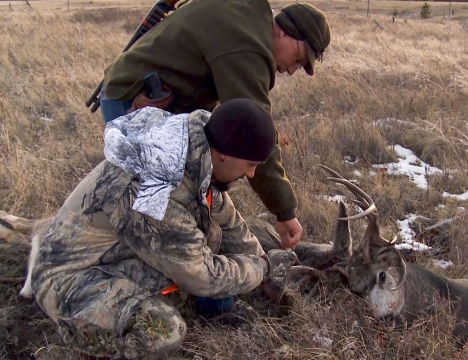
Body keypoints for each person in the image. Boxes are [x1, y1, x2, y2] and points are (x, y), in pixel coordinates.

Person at [30, 99, 299, 358]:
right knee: (161, 331)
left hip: (115, 258)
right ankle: (91, 336)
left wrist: (262, 259)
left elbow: (227, 221)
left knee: (211, 235)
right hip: (70, 280)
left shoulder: (198, 149)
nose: (251, 174)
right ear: (225, 154)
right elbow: (203, 276)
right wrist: (262, 269)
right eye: (250, 165)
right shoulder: (157, 189)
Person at [99, 0, 331, 250]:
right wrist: (284, 210)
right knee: (155, 204)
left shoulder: (246, 13)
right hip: (135, 102)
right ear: (284, 31)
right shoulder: (246, 44)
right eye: (297, 59)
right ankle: (148, 260)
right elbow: (252, 132)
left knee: (181, 189)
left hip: (160, 101)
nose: (292, 70)